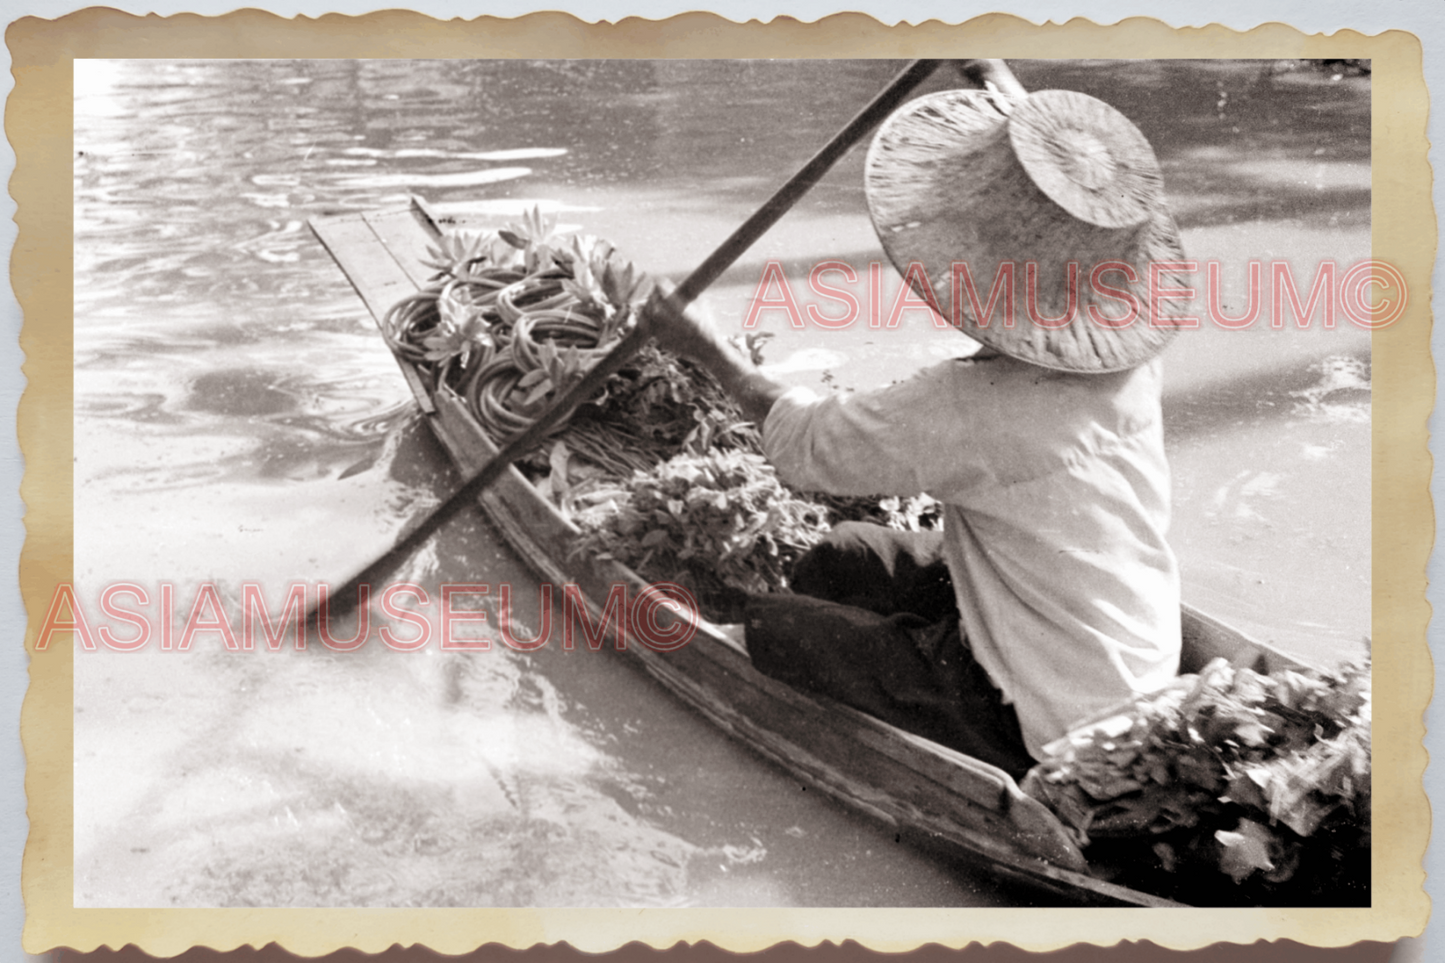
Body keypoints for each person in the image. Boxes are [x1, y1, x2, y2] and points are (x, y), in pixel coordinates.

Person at [642, 85, 1189, 779]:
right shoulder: (1130, 363)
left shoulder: (975, 407)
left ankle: (881, 682)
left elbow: (806, 446)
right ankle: (905, 645)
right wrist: (1000, 84)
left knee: (776, 624)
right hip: (1122, 649)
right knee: (843, 554)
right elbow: (1078, 188)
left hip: (1041, 721)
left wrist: (703, 348)